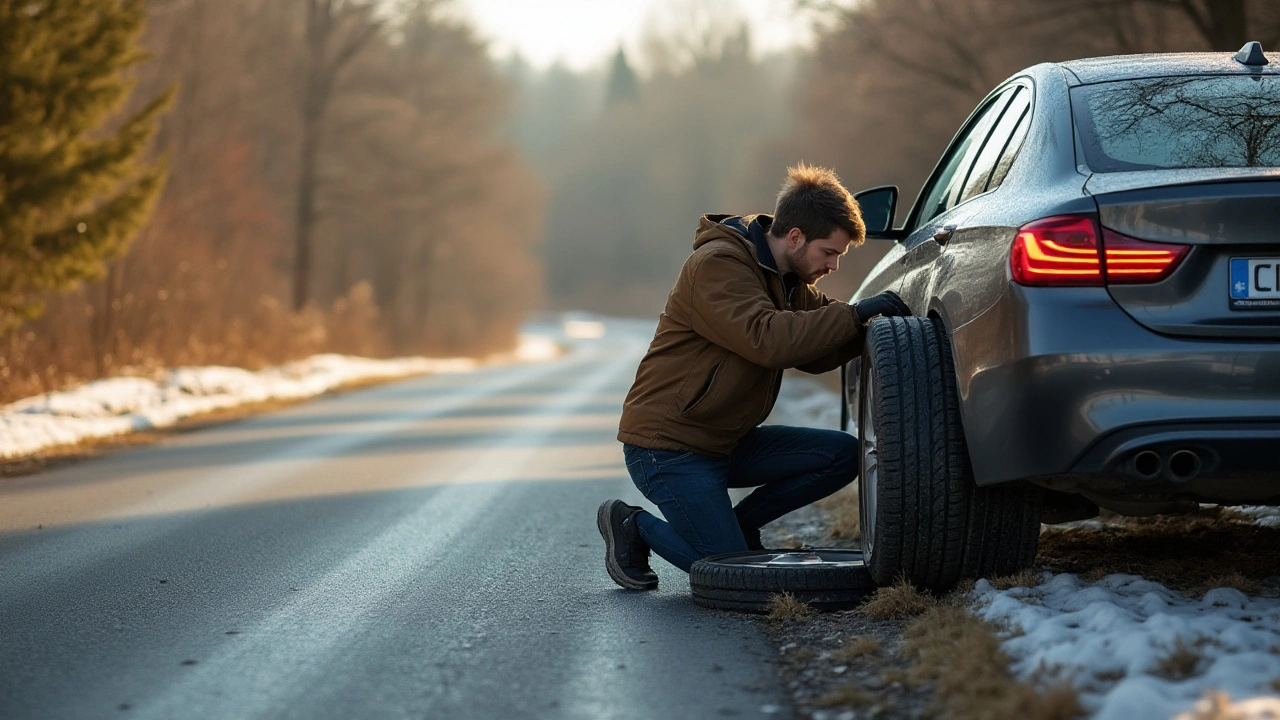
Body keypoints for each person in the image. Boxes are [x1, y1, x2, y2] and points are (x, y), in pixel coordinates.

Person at [597, 163, 912, 590]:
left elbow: (815, 351)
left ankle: (736, 528)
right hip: (669, 448)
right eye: (830, 252)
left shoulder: (788, 279)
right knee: (736, 573)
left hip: (726, 441)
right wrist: (855, 313)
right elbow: (770, 340)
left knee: (840, 455)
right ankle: (632, 524)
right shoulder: (717, 265)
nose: (834, 266)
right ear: (796, 237)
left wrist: (874, 327)